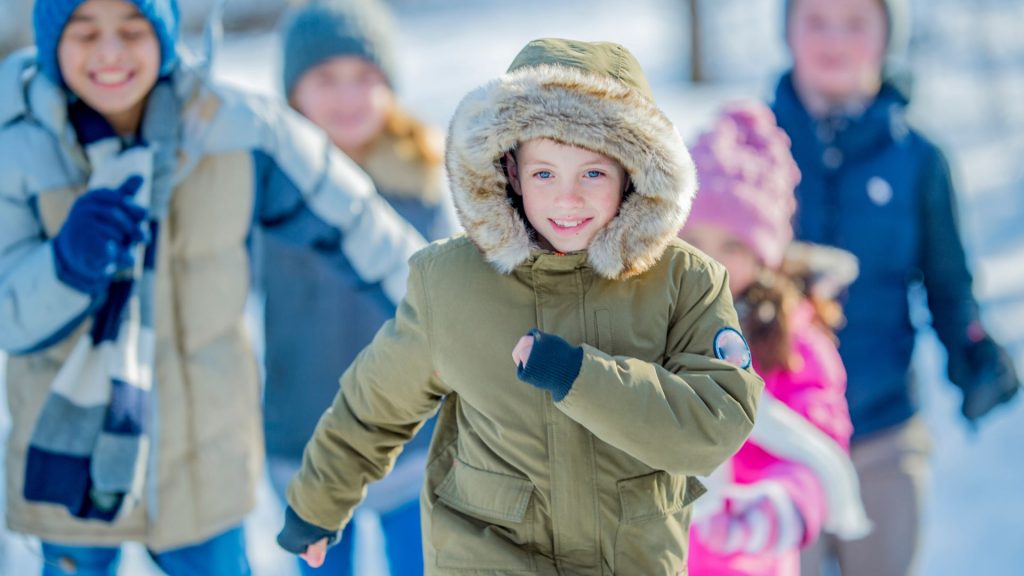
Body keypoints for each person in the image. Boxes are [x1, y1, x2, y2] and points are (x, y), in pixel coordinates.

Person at [275, 38, 765, 575]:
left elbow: (714, 425)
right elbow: (374, 405)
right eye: (544, 174)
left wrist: (579, 377)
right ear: (511, 173)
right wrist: (318, 503)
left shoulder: (685, 281)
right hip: (490, 553)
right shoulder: (452, 281)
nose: (567, 198)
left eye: (593, 173)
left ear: (633, 172)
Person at [0, 0, 427, 574]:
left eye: (132, 29)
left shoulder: (238, 130)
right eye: (85, 32)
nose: (109, 52)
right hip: (70, 462)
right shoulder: (16, 146)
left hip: (203, 471)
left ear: (165, 33)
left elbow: (364, 232)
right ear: (53, 42)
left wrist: (465, 337)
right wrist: (64, 266)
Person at [771, 1, 1021, 574]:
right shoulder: (751, 147)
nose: (834, 38)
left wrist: (973, 352)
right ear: (788, 31)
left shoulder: (918, 160)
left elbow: (949, 287)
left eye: (856, 22)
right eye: (816, 20)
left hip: (882, 428)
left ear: (886, 37)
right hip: (774, 431)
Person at [262, 1, 458, 574]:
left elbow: (449, 301)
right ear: (293, 89)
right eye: (326, 78)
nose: (348, 97)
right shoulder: (269, 183)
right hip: (304, 434)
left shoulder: (418, 177)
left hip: (411, 439)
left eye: (365, 78)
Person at [679, 102, 870, 576]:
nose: (711, 263)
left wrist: (779, 505)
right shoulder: (653, 321)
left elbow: (818, 436)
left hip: (743, 559)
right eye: (695, 241)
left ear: (764, 254)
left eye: (732, 246)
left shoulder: (791, 341)